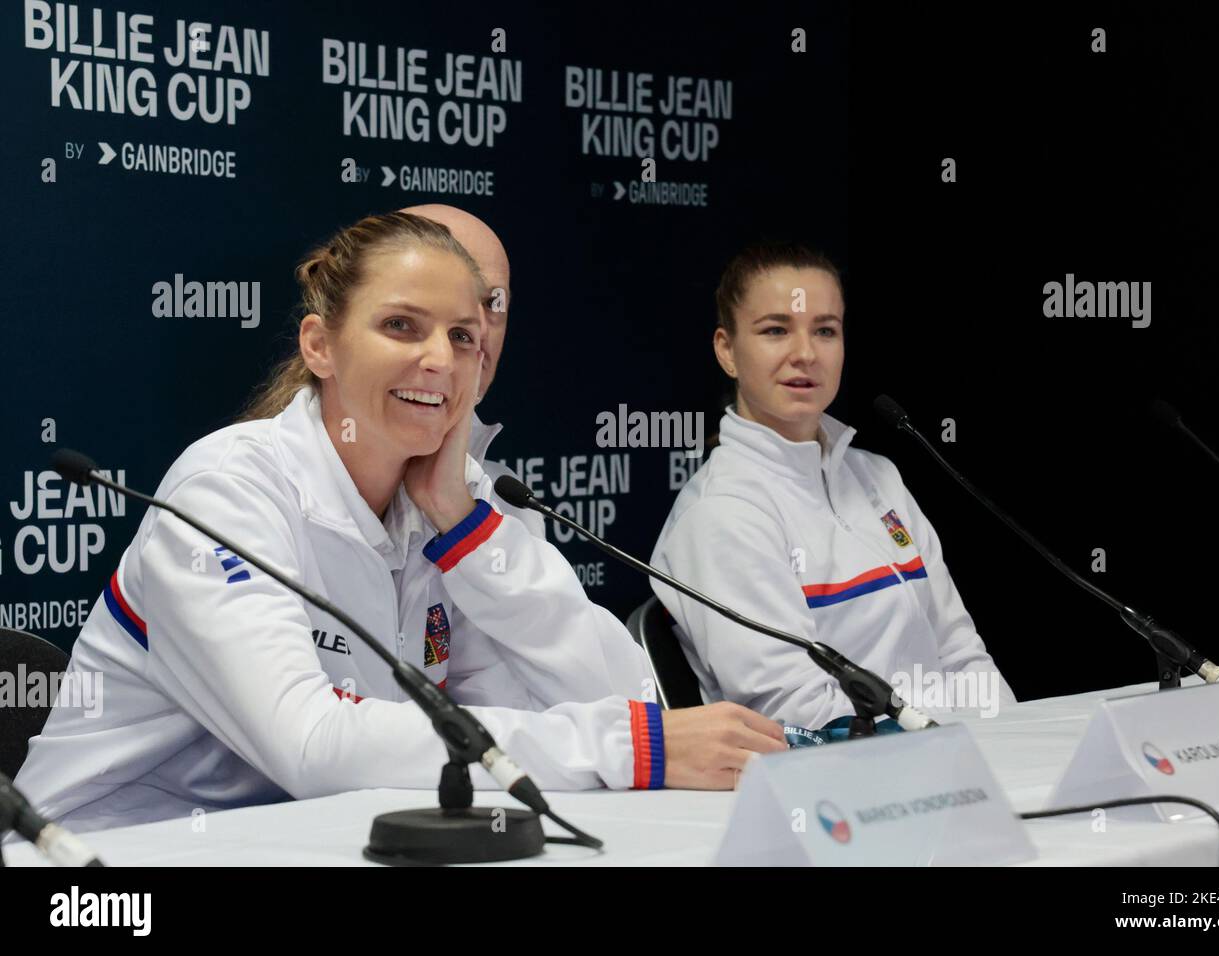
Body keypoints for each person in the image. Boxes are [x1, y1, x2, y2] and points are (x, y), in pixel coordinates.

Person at [14, 213, 786, 832]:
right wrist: (628, 749)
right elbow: (311, 744)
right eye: (401, 327)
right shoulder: (229, 490)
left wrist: (467, 533)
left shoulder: (457, 499)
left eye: (461, 337)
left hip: (309, 840)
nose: (441, 361)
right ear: (320, 345)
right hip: (107, 859)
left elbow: (621, 698)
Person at [651, 241, 1016, 732]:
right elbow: (796, 714)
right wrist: (950, 751)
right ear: (727, 350)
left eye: (825, 330)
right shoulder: (720, 512)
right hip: (836, 792)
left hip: (952, 763)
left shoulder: (878, 478)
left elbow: (960, 651)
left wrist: (1011, 746)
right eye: (776, 330)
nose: (805, 354)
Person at [398, 204, 544, 538]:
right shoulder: (263, 483)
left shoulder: (507, 504)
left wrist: (456, 513)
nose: (475, 328)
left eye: (494, 303)